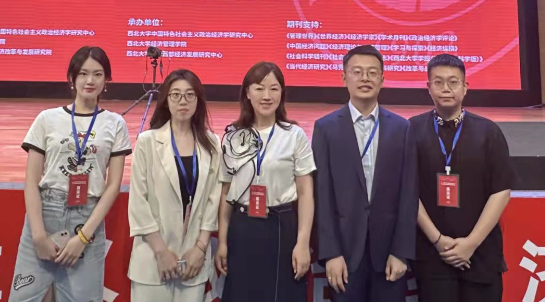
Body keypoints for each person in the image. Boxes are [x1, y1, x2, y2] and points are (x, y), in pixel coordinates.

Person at [9, 46, 131, 302]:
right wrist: (38, 235)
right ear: (72, 78)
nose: (90, 80)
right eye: (83, 73)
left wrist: (83, 237)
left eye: (98, 74)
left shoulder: (115, 124)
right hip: (46, 213)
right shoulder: (47, 119)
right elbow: (31, 181)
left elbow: (112, 186)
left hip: (87, 219)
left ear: (106, 81)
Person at [312, 44, 418, 302]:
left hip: (389, 255)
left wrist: (401, 252)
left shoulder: (401, 128)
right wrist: (331, 253)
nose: (365, 78)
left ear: (382, 79)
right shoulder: (325, 128)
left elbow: (409, 193)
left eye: (372, 73)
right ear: (344, 77)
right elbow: (322, 195)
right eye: (357, 72)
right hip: (345, 255)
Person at [410, 54, 515, 302]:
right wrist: (437, 240)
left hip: (480, 253)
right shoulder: (411, 130)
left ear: (465, 87)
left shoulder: (488, 132)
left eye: (453, 82)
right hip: (433, 254)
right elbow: (407, 191)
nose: (446, 88)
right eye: (438, 82)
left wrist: (471, 243)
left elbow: (501, 191)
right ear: (428, 87)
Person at [216, 61, 316, 302]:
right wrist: (222, 241)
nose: (267, 96)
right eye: (259, 88)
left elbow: (306, 193)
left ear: (282, 93)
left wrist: (303, 243)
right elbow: (226, 191)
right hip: (243, 228)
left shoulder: (294, 135)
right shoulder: (232, 136)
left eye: (274, 88)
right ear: (247, 93)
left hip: (281, 227)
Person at [128, 69, 222, 302]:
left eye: (190, 95)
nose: (183, 101)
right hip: (152, 259)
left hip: (193, 261)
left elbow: (214, 199)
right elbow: (138, 201)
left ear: (198, 100)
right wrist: (161, 251)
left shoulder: (212, 143)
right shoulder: (148, 141)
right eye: (176, 95)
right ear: (166, 100)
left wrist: (200, 248)